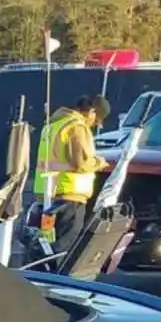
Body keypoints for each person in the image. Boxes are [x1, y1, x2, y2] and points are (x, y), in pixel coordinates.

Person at [34, 95, 112, 255]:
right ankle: (56, 278)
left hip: (47, 194)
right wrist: (99, 162)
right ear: (91, 111)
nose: (96, 124)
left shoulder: (53, 125)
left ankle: (39, 274)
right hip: (69, 195)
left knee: (46, 244)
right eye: (97, 119)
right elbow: (81, 163)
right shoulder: (77, 127)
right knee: (63, 248)